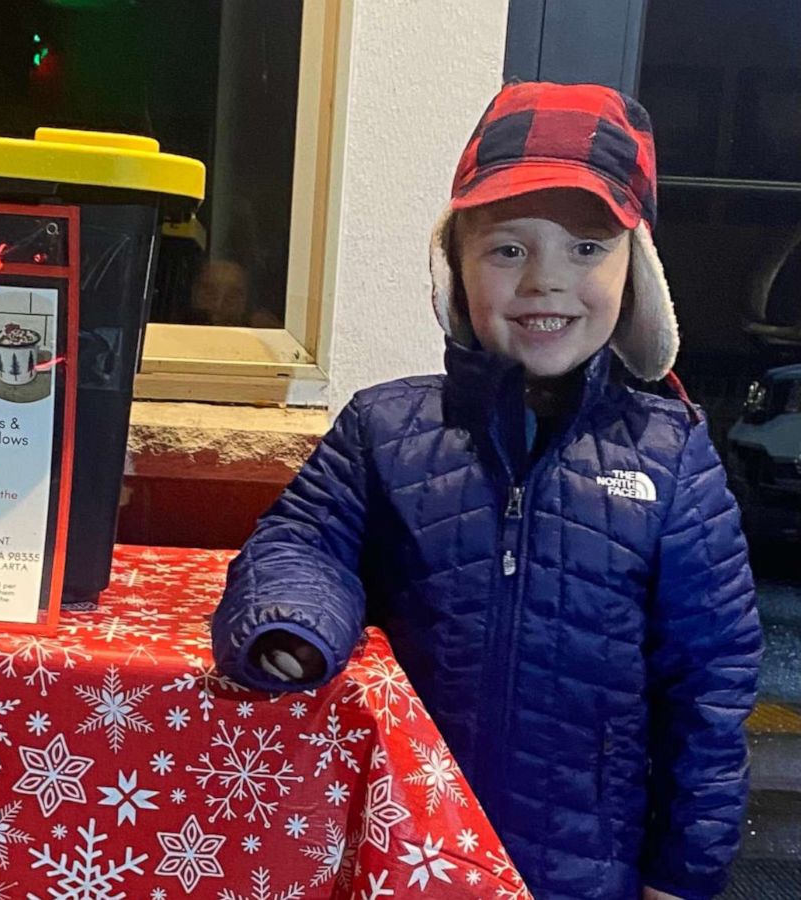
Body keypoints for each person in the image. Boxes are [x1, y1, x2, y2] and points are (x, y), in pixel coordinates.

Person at [211, 82, 763, 900]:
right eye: (508, 250)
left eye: (586, 248)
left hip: (583, 871)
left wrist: (685, 872)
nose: (546, 281)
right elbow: (300, 542)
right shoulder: (384, 427)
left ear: (635, 270)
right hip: (402, 846)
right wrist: (292, 622)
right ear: (454, 268)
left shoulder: (672, 456)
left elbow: (711, 689)